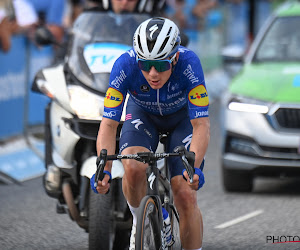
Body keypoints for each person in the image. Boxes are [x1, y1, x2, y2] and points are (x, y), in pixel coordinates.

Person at [92, 17, 210, 250]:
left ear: (174, 58)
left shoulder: (190, 64)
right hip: (143, 116)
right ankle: (141, 222)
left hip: (182, 120)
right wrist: (104, 169)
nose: (153, 74)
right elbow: (108, 124)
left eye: (161, 65)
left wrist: (193, 168)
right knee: (133, 166)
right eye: (145, 65)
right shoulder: (124, 65)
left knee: (185, 193)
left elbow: (201, 125)